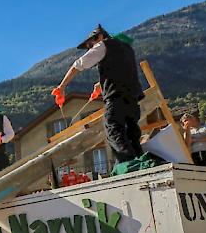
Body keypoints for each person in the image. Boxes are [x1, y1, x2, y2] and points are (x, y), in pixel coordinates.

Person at [54, 24, 144, 165]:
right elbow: (121, 73)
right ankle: (141, 162)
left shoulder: (103, 45)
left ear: (100, 36)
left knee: (113, 129)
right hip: (133, 100)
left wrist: (61, 87)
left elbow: (78, 65)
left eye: (91, 43)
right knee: (131, 135)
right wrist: (100, 86)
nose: (91, 47)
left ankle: (130, 164)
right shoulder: (127, 48)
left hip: (116, 99)